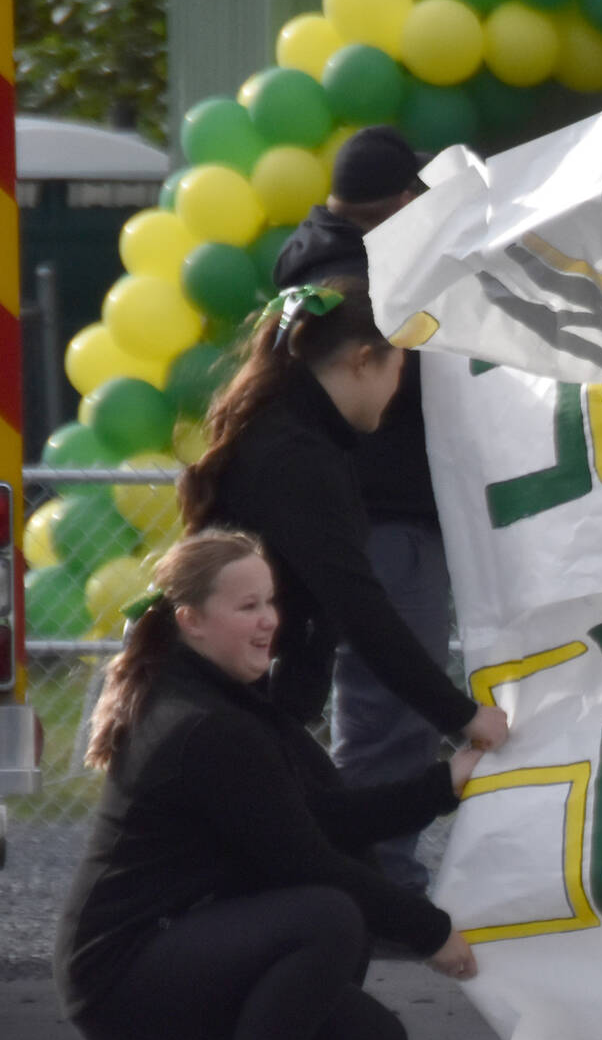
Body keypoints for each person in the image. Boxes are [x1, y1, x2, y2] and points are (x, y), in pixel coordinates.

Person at [54, 531, 483, 1040]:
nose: (270, 621)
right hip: (121, 980)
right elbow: (306, 859)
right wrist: (433, 931)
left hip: (172, 954)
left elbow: (323, 818)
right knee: (327, 913)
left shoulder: (229, 701)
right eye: (247, 606)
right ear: (192, 621)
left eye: (270, 602)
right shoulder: (203, 723)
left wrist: (442, 783)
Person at [178, 282, 508, 758]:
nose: (397, 391)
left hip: (239, 709)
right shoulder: (296, 457)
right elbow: (359, 607)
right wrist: (463, 717)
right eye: (397, 368)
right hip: (224, 717)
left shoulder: (299, 436)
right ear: (361, 361)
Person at [272, 124, 455, 893]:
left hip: (359, 512)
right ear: (398, 204)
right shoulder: (369, 289)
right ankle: (377, 877)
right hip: (390, 516)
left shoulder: (307, 258)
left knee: (332, 702)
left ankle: (340, 865)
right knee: (388, 704)